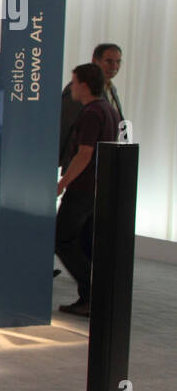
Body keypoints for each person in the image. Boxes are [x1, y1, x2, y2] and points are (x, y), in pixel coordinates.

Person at [54, 63, 121, 317]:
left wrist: (63, 183)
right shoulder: (107, 110)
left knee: (62, 238)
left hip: (83, 188)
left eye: (73, 81)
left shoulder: (91, 113)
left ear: (83, 84)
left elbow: (84, 154)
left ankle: (91, 293)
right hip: (97, 187)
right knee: (82, 242)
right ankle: (93, 296)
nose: (71, 87)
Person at [60, 43, 123, 172]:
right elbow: (66, 126)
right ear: (95, 61)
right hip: (81, 165)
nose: (114, 67)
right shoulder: (80, 89)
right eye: (109, 61)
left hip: (103, 162)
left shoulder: (111, 89)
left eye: (118, 62)